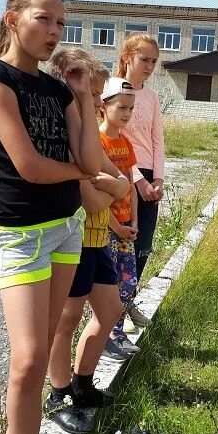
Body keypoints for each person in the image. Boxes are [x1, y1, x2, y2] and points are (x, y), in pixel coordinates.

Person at [0, 0, 103, 434]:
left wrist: (84, 98)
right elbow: (27, 165)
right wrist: (85, 175)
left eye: (60, 24)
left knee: (47, 341)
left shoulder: (55, 90)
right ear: (11, 19)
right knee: (27, 361)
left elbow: (90, 156)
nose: (53, 32)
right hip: (23, 230)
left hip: (65, 226)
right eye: (43, 19)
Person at [45, 51, 132, 434]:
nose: (98, 101)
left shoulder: (88, 141)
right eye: (94, 92)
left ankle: (83, 382)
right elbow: (97, 199)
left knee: (110, 310)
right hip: (75, 244)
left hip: (97, 243)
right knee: (65, 321)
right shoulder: (67, 140)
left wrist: (110, 184)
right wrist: (110, 186)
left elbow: (123, 183)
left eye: (98, 93)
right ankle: (59, 393)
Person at [117, 33, 164, 328]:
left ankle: (128, 300)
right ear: (127, 57)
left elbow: (157, 139)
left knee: (144, 244)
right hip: (121, 175)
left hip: (149, 177)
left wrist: (157, 179)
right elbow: (116, 140)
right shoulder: (112, 90)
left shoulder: (152, 96)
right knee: (123, 244)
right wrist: (137, 181)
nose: (149, 66)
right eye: (144, 59)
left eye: (154, 62)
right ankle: (112, 312)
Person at [99, 78, 145, 361]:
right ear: (104, 106)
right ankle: (108, 336)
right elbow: (94, 191)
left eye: (131, 108)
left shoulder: (125, 143)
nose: (127, 113)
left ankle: (116, 332)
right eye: (121, 107)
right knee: (108, 286)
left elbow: (130, 185)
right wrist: (115, 226)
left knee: (127, 284)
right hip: (106, 228)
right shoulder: (97, 141)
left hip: (126, 226)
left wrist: (134, 222)